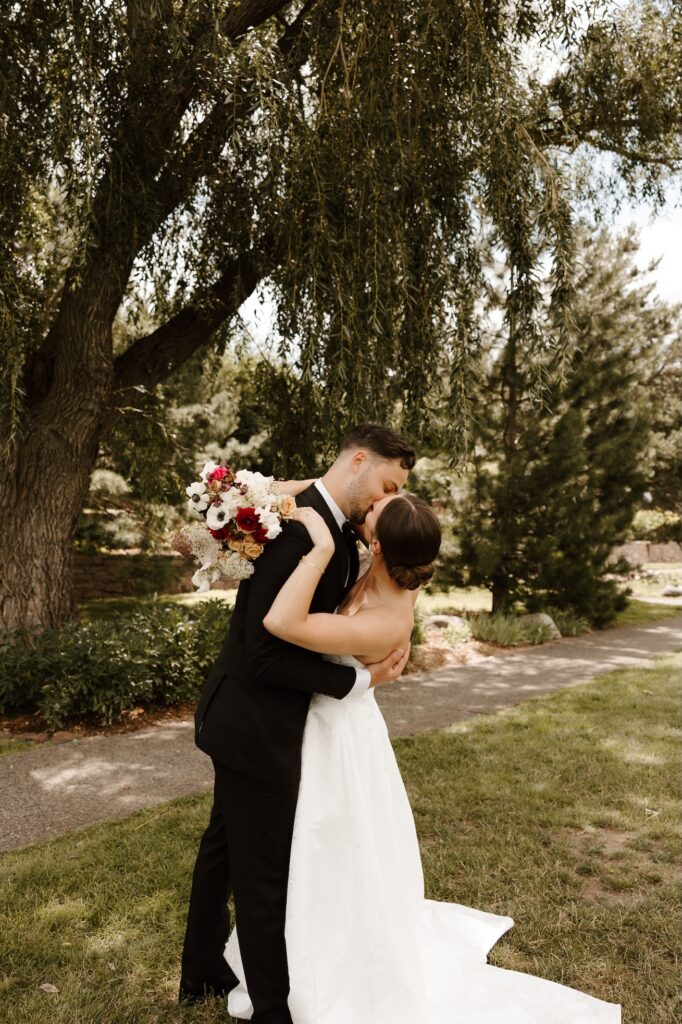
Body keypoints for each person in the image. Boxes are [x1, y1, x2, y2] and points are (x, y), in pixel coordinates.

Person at [221, 491, 622, 1023]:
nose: (366, 508)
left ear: (378, 545)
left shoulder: (386, 618)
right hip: (322, 722)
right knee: (312, 847)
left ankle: (332, 968)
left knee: (330, 843)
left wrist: (320, 548)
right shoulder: (384, 568)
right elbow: (316, 497)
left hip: (340, 740)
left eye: (373, 513)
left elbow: (280, 622)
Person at [179, 423, 417, 1023]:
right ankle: (271, 1011)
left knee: (223, 848)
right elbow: (264, 653)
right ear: (358, 461)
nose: (386, 501)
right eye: (386, 486)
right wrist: (358, 681)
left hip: (246, 717)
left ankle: (201, 970)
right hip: (255, 724)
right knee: (262, 877)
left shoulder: (323, 519)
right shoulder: (300, 533)